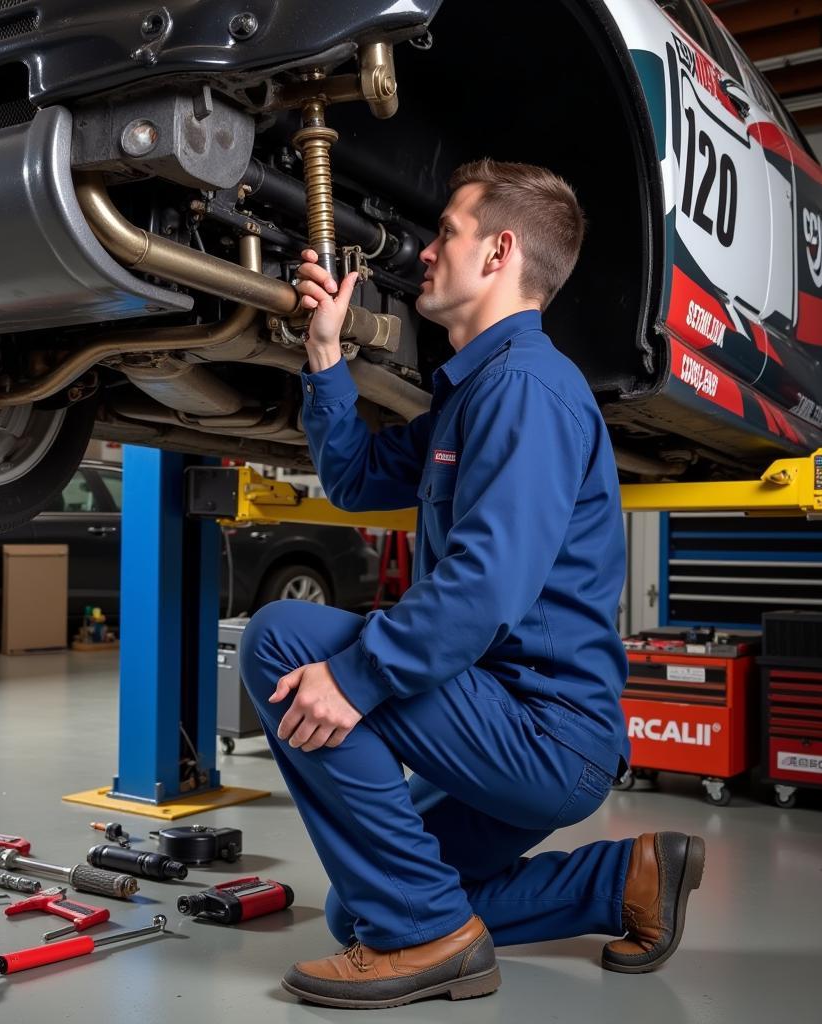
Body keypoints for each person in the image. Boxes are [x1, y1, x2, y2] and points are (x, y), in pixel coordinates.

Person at [240, 158, 704, 1010]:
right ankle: (624, 881)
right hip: (498, 721)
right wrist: (326, 353)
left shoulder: (526, 391)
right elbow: (353, 478)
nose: (424, 251)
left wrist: (357, 677)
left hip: (539, 735)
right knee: (357, 908)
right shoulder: (476, 393)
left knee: (285, 638)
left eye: (445, 233)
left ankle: (428, 941)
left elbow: (485, 585)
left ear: (499, 253)